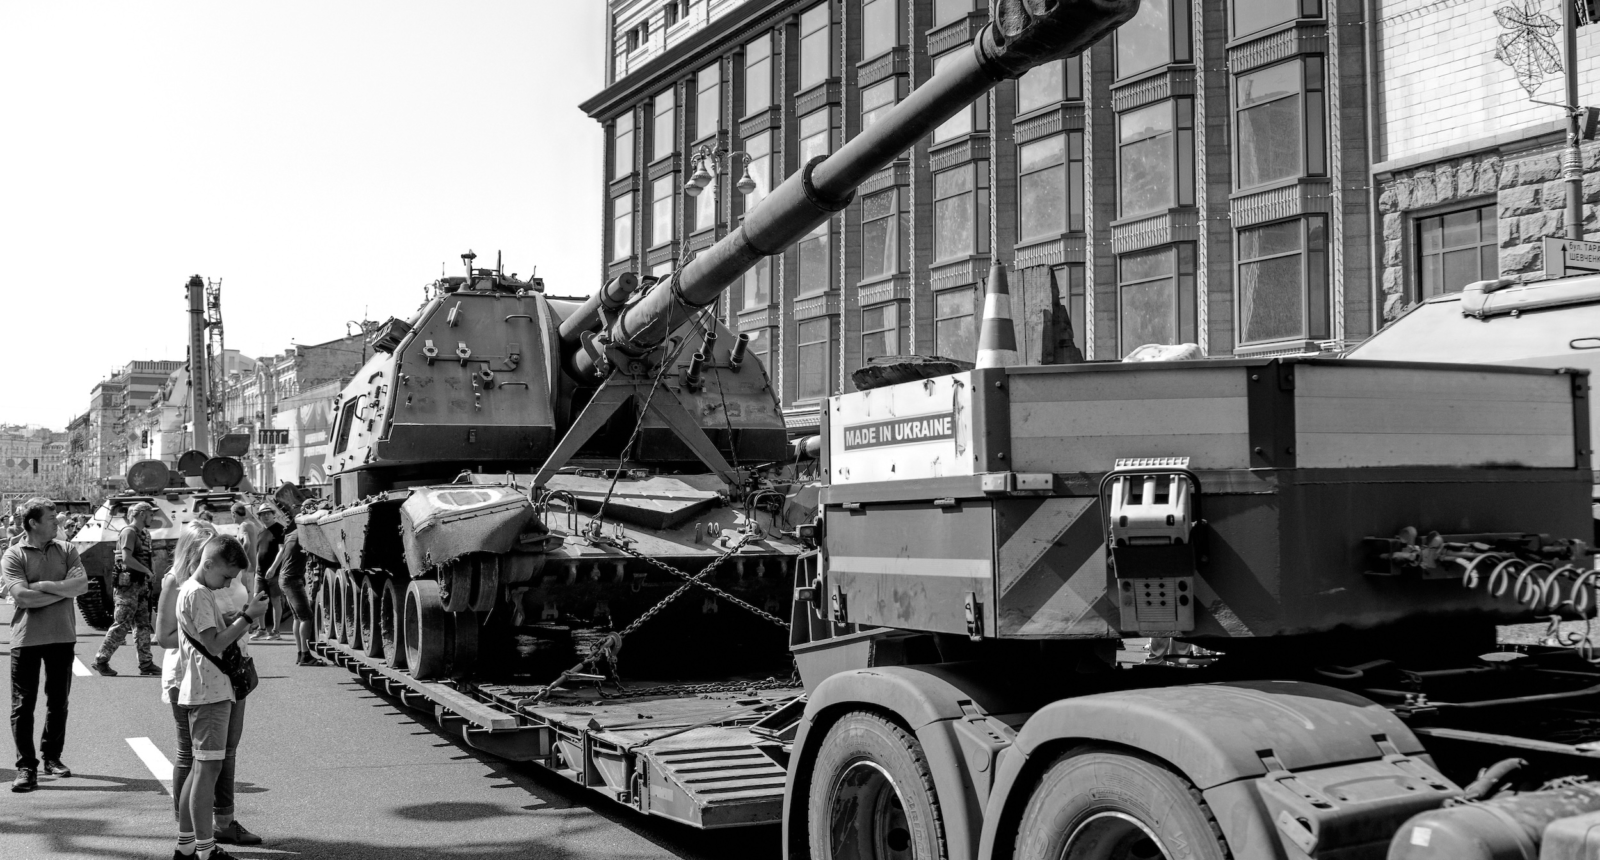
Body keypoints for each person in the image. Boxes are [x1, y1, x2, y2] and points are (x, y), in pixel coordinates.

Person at [174, 535, 266, 859]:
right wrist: (248, 617)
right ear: (208, 563)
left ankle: (187, 847)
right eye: (226, 576)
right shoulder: (198, 593)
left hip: (204, 689)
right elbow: (213, 644)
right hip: (210, 693)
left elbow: (208, 635)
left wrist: (235, 619)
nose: (228, 583)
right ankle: (205, 850)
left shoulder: (195, 590)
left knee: (200, 771)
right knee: (207, 773)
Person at [1, 498, 89, 793]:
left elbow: (83, 586)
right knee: (23, 705)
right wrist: (62, 591)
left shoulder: (66, 549)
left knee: (58, 702)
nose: (57, 521)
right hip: (26, 638)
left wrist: (42, 586)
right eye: (51, 518)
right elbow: (22, 598)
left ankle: (52, 756)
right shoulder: (13, 555)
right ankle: (26, 767)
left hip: (62, 635)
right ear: (33, 523)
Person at [92, 501, 160, 676]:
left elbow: (147, 557)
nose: (152, 517)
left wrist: (150, 573)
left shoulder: (144, 534)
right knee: (122, 625)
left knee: (143, 625)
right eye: (150, 514)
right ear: (142, 514)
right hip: (128, 587)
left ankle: (146, 663)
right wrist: (147, 571)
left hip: (141, 585)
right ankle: (101, 660)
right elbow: (127, 558)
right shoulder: (129, 532)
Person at [264, 514, 325, 668]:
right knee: (306, 617)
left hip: (285, 578)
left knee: (298, 618)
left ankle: (300, 653)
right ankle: (305, 655)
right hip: (292, 579)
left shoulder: (291, 535)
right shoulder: (304, 536)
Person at [252, 505, 285, 640]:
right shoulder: (260, 531)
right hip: (260, 573)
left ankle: (276, 631)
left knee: (275, 600)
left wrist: (273, 568)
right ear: (259, 516)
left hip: (274, 572)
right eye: (263, 514)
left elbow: (282, 550)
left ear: (273, 514)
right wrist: (256, 568)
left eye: (268, 513)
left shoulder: (280, 529)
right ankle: (262, 629)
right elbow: (258, 552)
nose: (266, 516)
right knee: (258, 599)